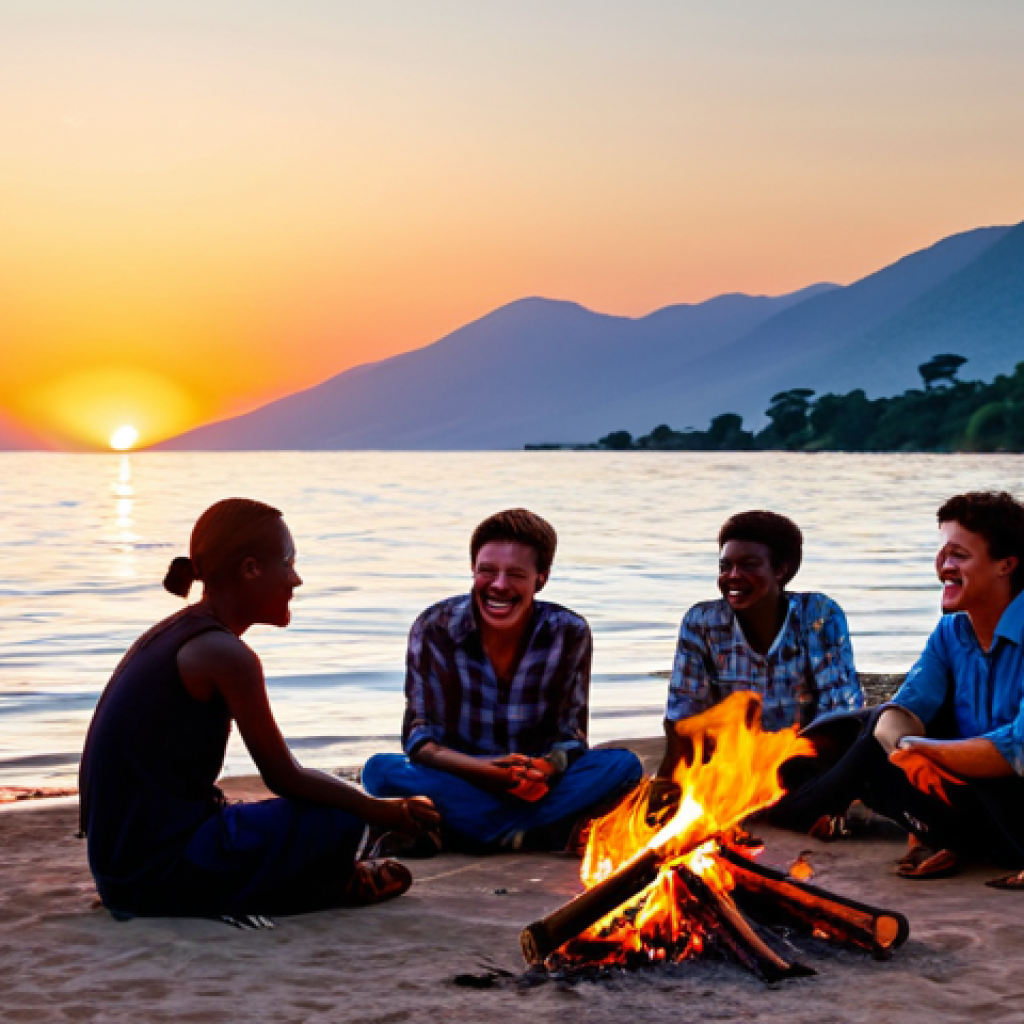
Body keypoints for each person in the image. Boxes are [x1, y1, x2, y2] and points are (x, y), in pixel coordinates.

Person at [79, 498, 439, 920]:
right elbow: (285, 777)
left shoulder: (180, 634)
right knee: (336, 819)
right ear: (250, 569)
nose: (296, 579)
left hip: (119, 867)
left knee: (321, 810)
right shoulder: (224, 655)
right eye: (288, 563)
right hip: (155, 873)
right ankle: (327, 883)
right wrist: (382, 810)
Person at [361, 508, 643, 852]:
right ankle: (534, 832)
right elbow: (420, 741)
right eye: (487, 571)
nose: (499, 586)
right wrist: (488, 772)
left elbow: (570, 738)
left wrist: (540, 768)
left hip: (534, 787)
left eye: (516, 574)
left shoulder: (569, 632)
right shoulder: (434, 627)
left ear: (540, 578)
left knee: (621, 765)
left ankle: (469, 830)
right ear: (472, 571)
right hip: (461, 777)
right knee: (379, 770)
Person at [654, 510, 863, 833]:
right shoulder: (702, 622)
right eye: (725, 567)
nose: (733, 576)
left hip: (807, 765)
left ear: (782, 570)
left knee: (864, 743)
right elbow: (683, 720)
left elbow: (839, 718)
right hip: (732, 770)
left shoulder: (818, 614)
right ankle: (794, 811)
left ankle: (810, 808)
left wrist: (808, 776)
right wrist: (667, 790)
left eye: (749, 565)